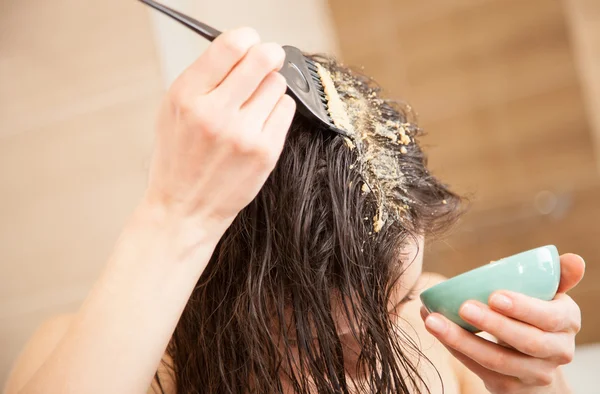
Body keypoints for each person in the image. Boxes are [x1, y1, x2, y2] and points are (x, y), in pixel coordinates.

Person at [5, 28, 584, 394]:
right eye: (329, 337)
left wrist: (534, 390)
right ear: (229, 295)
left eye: (399, 296)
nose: (376, 354)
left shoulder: (441, 345)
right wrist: (174, 213)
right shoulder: (124, 369)